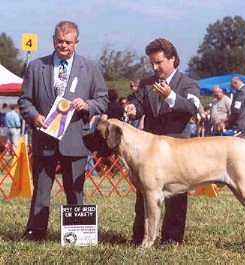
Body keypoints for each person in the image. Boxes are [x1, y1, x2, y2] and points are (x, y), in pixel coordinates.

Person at [18, 20, 108, 241]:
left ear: (76, 42)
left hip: (76, 140)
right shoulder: (36, 67)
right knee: (41, 190)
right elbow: (24, 100)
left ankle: (77, 234)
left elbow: (103, 99)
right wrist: (34, 116)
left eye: (68, 42)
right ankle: (35, 232)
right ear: (53, 40)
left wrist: (88, 105)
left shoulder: (91, 68)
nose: (63, 46)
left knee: (75, 190)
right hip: (44, 138)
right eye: (59, 41)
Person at [125, 38, 200, 246]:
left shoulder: (188, 84)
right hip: (149, 153)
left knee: (176, 197)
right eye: (152, 63)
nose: (154, 67)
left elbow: (192, 109)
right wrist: (132, 109)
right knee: (144, 195)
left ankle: (171, 238)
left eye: (158, 62)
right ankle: (140, 236)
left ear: (172, 59)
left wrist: (171, 97)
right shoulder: (147, 83)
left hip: (177, 150)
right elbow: (138, 105)